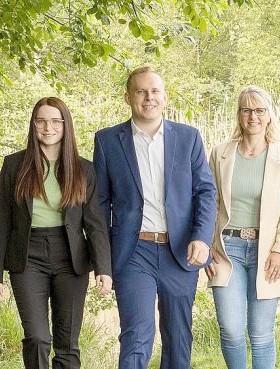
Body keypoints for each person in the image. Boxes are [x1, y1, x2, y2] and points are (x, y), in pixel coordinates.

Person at [93, 67, 217, 369]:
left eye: (155, 91)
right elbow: (98, 205)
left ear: (165, 97)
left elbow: (206, 192)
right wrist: (102, 262)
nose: (149, 98)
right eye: (141, 91)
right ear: (128, 97)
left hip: (180, 252)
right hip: (133, 252)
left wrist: (201, 237)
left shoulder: (189, 138)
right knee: (136, 335)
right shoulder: (107, 141)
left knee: (177, 338)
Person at [0, 97, 112, 369]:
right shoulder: (14, 166)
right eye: (41, 121)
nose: (48, 127)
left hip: (71, 258)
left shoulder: (84, 169)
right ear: (33, 125)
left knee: (67, 344)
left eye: (56, 121)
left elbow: (95, 223)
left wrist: (104, 268)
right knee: (38, 338)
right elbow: (1, 221)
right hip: (27, 258)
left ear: (66, 126)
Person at [205, 86, 280, 369]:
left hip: (266, 252)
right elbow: (209, 202)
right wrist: (207, 244)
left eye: (259, 110)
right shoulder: (220, 153)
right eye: (246, 110)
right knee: (231, 330)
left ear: (269, 115)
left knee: (260, 335)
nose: (253, 116)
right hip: (227, 251)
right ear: (238, 115)